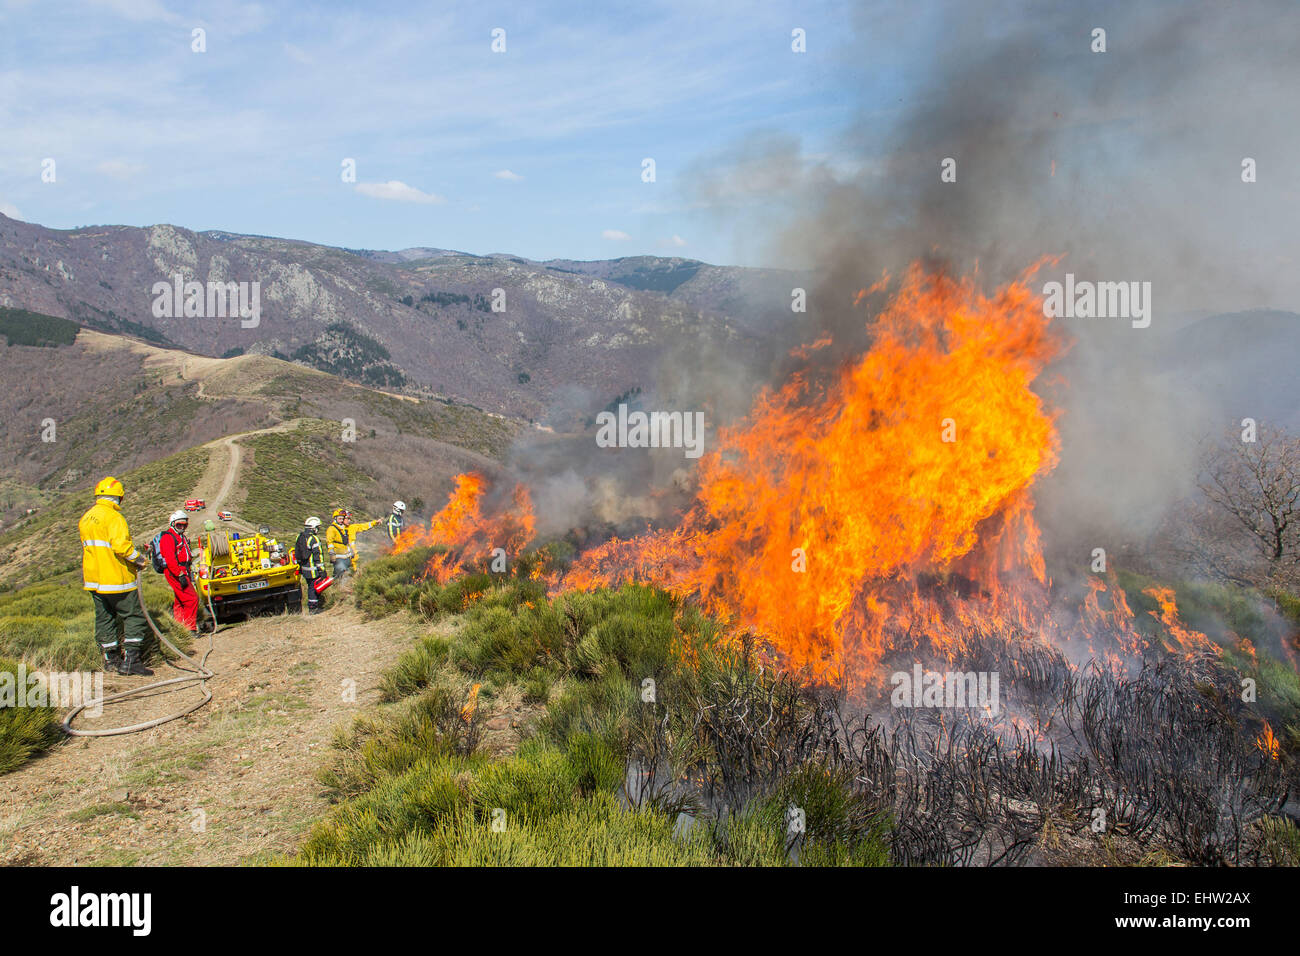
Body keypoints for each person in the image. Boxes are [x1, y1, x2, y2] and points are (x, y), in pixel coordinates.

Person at [79, 476, 153, 676]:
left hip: (95, 581)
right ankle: (132, 661)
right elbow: (122, 547)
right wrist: (140, 560)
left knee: (104, 618)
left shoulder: (86, 517)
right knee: (133, 616)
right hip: (116, 579)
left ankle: (111, 660)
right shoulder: (114, 517)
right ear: (119, 497)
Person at [159, 510, 199, 633]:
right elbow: (170, 558)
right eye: (179, 525)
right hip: (176, 572)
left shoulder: (180, 536)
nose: (182, 527)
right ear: (173, 524)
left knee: (180, 600)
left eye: (184, 525)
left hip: (183, 570)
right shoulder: (168, 537)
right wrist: (179, 574)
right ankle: (189, 628)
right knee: (191, 598)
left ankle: (179, 626)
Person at [326, 509, 381, 578]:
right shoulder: (335, 529)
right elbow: (329, 541)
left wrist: (375, 522)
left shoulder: (352, 527)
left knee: (352, 576)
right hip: (341, 557)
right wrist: (331, 552)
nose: (349, 521)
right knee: (340, 575)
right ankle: (337, 586)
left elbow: (363, 526)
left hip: (351, 558)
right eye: (347, 519)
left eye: (349, 519)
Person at [295, 516, 328, 613]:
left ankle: (313, 606)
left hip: (304, 569)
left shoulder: (299, 536)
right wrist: (322, 570)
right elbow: (318, 556)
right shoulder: (314, 539)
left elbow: (297, 553)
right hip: (313, 569)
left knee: (310, 586)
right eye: (317, 527)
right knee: (313, 588)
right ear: (313, 527)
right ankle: (313, 608)